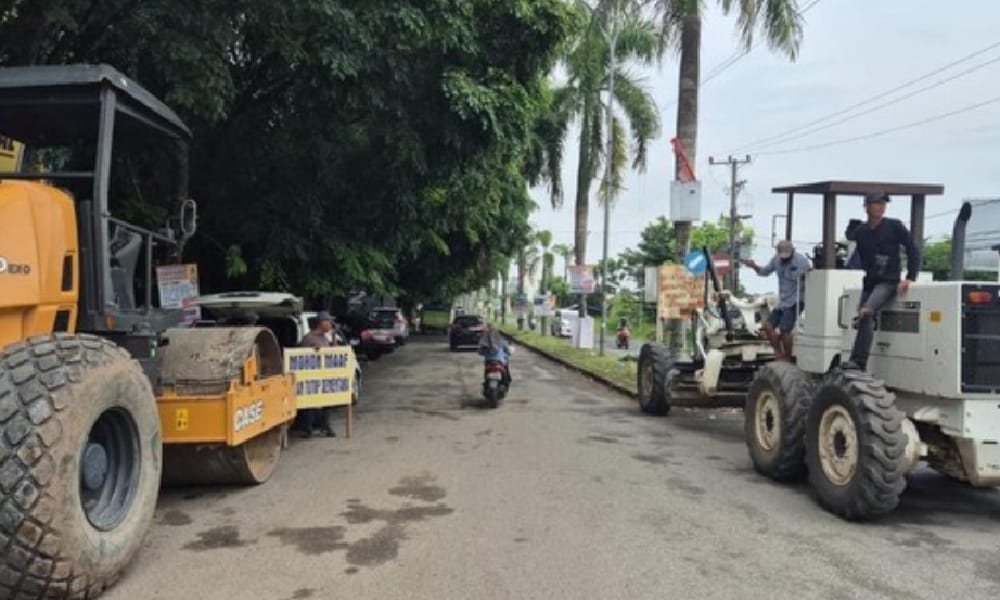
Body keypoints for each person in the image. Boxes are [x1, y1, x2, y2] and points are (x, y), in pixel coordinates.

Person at [841, 192, 921, 371]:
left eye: (884, 203)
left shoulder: (894, 226)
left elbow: (912, 248)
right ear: (867, 206)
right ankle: (856, 362)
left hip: (889, 281)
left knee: (867, 311)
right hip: (870, 281)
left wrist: (910, 277)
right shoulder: (861, 232)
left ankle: (859, 361)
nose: (881, 207)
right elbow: (860, 257)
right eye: (877, 203)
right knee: (862, 317)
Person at [742, 240, 812, 361]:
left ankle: (788, 357)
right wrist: (754, 266)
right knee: (768, 326)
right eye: (782, 257)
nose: (784, 260)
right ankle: (778, 353)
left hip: (796, 300)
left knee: (785, 329)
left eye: (787, 257)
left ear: (793, 251)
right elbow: (764, 272)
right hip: (783, 300)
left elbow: (811, 276)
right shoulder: (776, 260)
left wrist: (809, 272)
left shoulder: (801, 261)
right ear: (777, 252)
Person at [294, 310, 336, 437]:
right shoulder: (309, 338)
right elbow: (303, 357)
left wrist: (334, 338)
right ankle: (308, 428)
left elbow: (332, 353)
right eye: (328, 322)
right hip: (312, 377)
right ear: (321, 323)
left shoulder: (324, 337)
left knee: (326, 403)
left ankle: (325, 426)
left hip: (324, 376)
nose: (330, 324)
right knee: (311, 404)